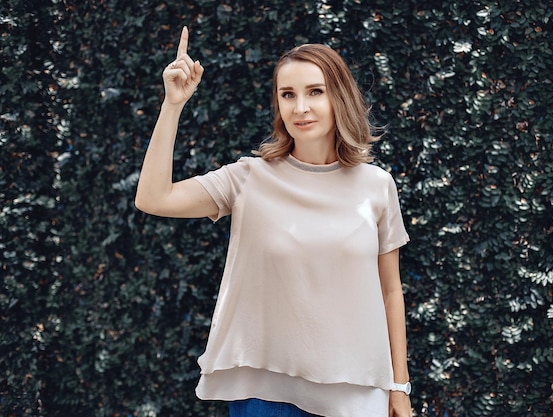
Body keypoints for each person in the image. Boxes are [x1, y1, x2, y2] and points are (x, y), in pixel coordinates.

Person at [135, 26, 412, 417]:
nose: (300, 107)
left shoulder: (377, 186)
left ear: (340, 97)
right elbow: (152, 198)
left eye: (315, 91)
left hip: (356, 393)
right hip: (266, 395)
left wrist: (399, 386)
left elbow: (390, 292)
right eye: (288, 94)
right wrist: (172, 105)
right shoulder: (249, 178)